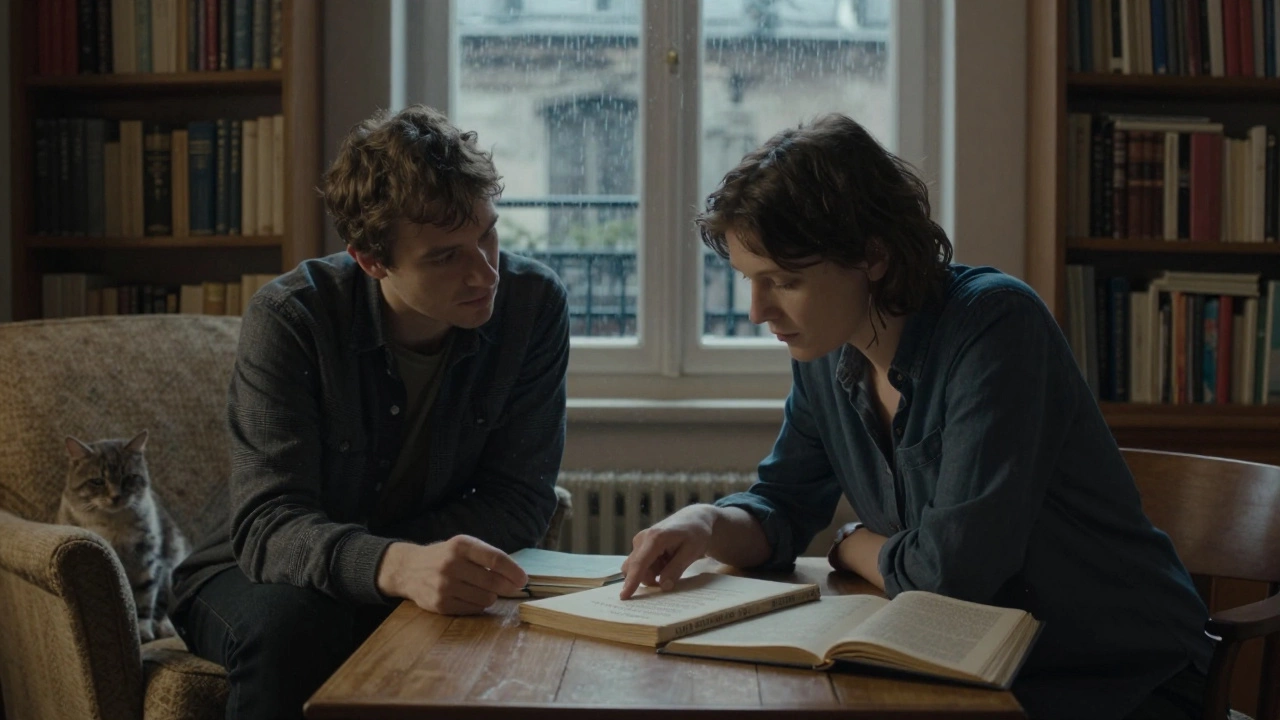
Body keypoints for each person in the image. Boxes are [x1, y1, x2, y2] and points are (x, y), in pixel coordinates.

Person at [618, 113, 1212, 720]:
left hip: (1117, 680)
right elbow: (784, 507)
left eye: (785, 280)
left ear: (872, 254)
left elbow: (951, 575)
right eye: (749, 280)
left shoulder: (996, 326)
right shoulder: (824, 353)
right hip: (969, 674)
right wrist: (704, 523)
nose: (756, 311)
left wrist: (854, 544)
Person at [171, 104, 571, 720]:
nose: (484, 271)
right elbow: (269, 524)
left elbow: (520, 497)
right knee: (296, 627)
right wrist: (392, 564)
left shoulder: (533, 305)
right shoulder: (292, 319)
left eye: (488, 234)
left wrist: (402, 568)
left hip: (409, 561)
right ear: (370, 259)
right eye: (445, 256)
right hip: (250, 572)